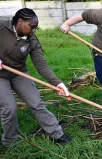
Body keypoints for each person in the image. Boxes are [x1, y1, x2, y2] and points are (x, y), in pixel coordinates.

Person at [0, 8, 71, 149]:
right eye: (32, 27)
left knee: (36, 102)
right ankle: (10, 142)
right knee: (9, 108)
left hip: (18, 72)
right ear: (20, 21)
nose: (34, 31)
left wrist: (59, 83)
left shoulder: (32, 40)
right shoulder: (2, 26)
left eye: (36, 28)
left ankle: (56, 134)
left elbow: (42, 66)